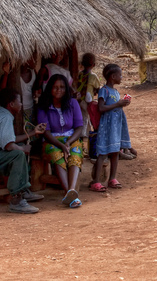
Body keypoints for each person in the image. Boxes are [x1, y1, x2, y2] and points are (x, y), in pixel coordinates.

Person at [36, 74, 85, 208]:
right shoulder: (43, 106)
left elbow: (79, 127)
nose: (59, 90)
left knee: (75, 153)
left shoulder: (73, 103)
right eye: (55, 87)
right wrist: (61, 145)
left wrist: (68, 143)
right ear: (50, 89)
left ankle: (71, 192)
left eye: (62, 87)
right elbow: (45, 132)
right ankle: (68, 193)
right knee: (57, 155)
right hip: (52, 140)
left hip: (71, 138)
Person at [90, 63, 132, 191]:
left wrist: (121, 104)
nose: (122, 77)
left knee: (115, 152)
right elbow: (101, 108)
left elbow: (114, 105)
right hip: (107, 126)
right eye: (120, 75)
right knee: (103, 153)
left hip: (116, 126)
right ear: (113, 76)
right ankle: (95, 182)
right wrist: (118, 104)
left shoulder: (115, 91)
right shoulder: (104, 90)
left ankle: (112, 179)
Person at [75, 52, 101, 158]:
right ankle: (88, 148)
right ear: (93, 65)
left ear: (82, 63)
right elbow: (98, 89)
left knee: (81, 121)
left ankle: (81, 147)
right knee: (88, 123)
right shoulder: (93, 76)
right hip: (87, 102)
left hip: (78, 101)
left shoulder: (79, 74)